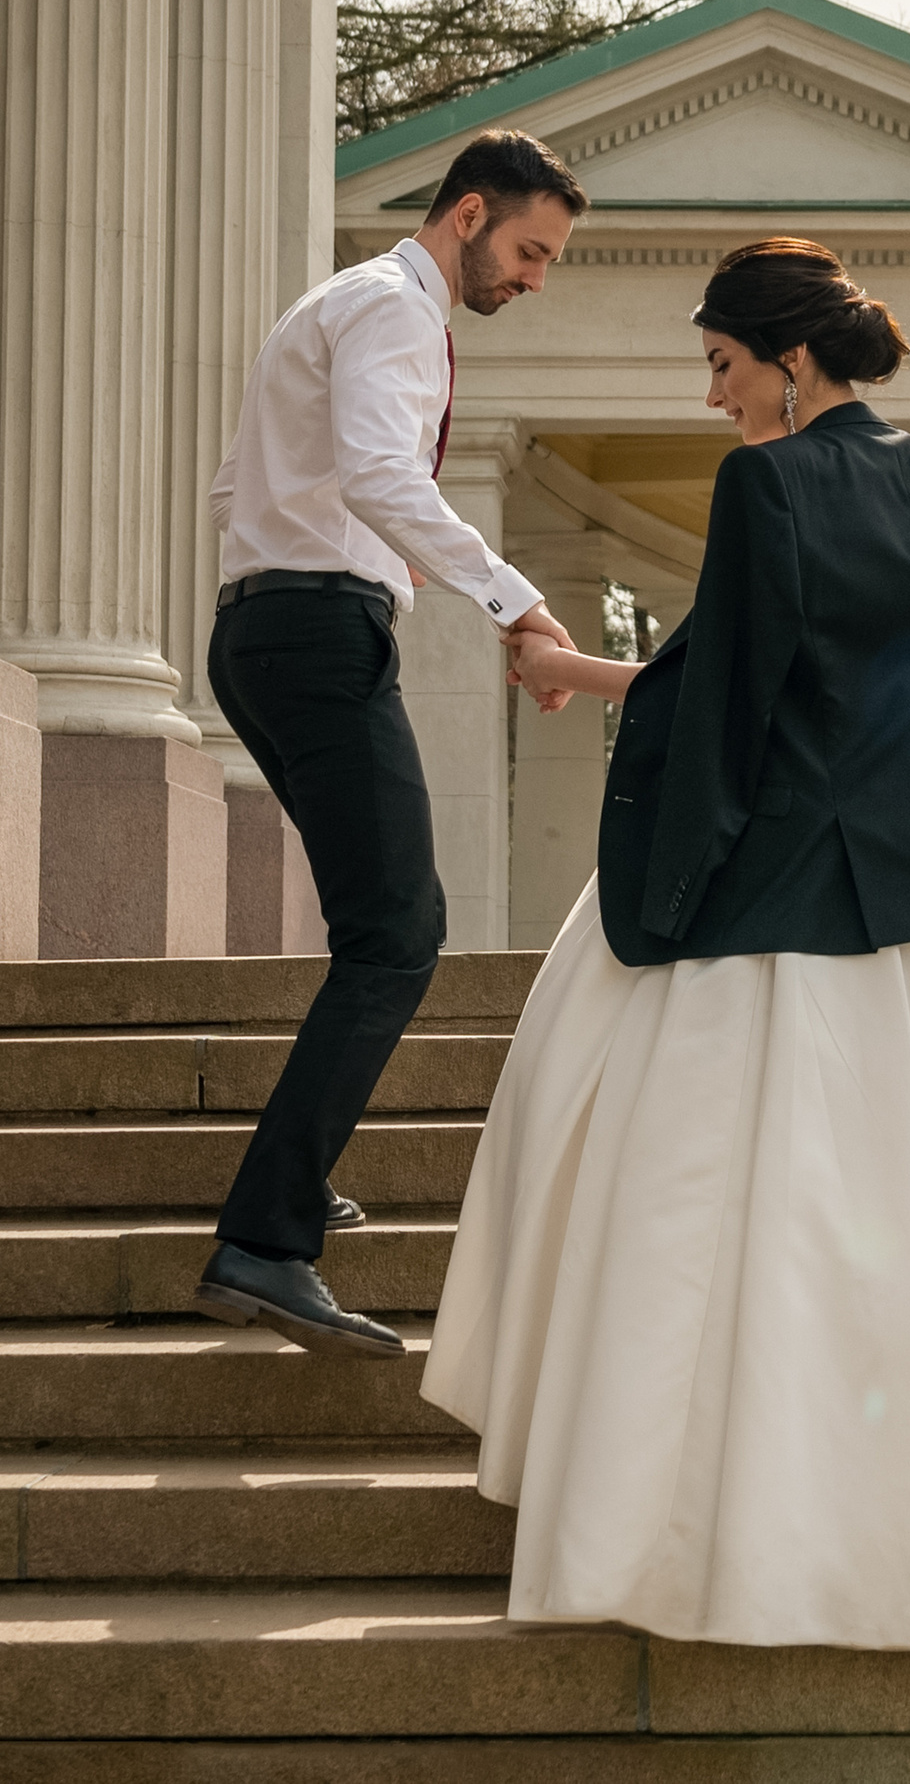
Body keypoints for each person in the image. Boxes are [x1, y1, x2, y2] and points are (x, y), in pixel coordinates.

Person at [422, 235, 910, 1651]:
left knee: (625, 1139)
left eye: (722, 366)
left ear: (793, 362)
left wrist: (660, 904)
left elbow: (736, 707)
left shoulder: (769, 483)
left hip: (798, 898)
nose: (714, 400)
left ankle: (712, 1526)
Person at [192, 129, 588, 1355]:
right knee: (400, 934)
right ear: (467, 214)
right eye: (528, 249)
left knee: (381, 925)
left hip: (274, 628)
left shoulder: (341, 304)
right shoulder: (395, 311)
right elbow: (375, 471)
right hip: (313, 632)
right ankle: (265, 1236)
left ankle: (289, 1196)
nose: (534, 278)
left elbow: (243, 488)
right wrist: (514, 598)